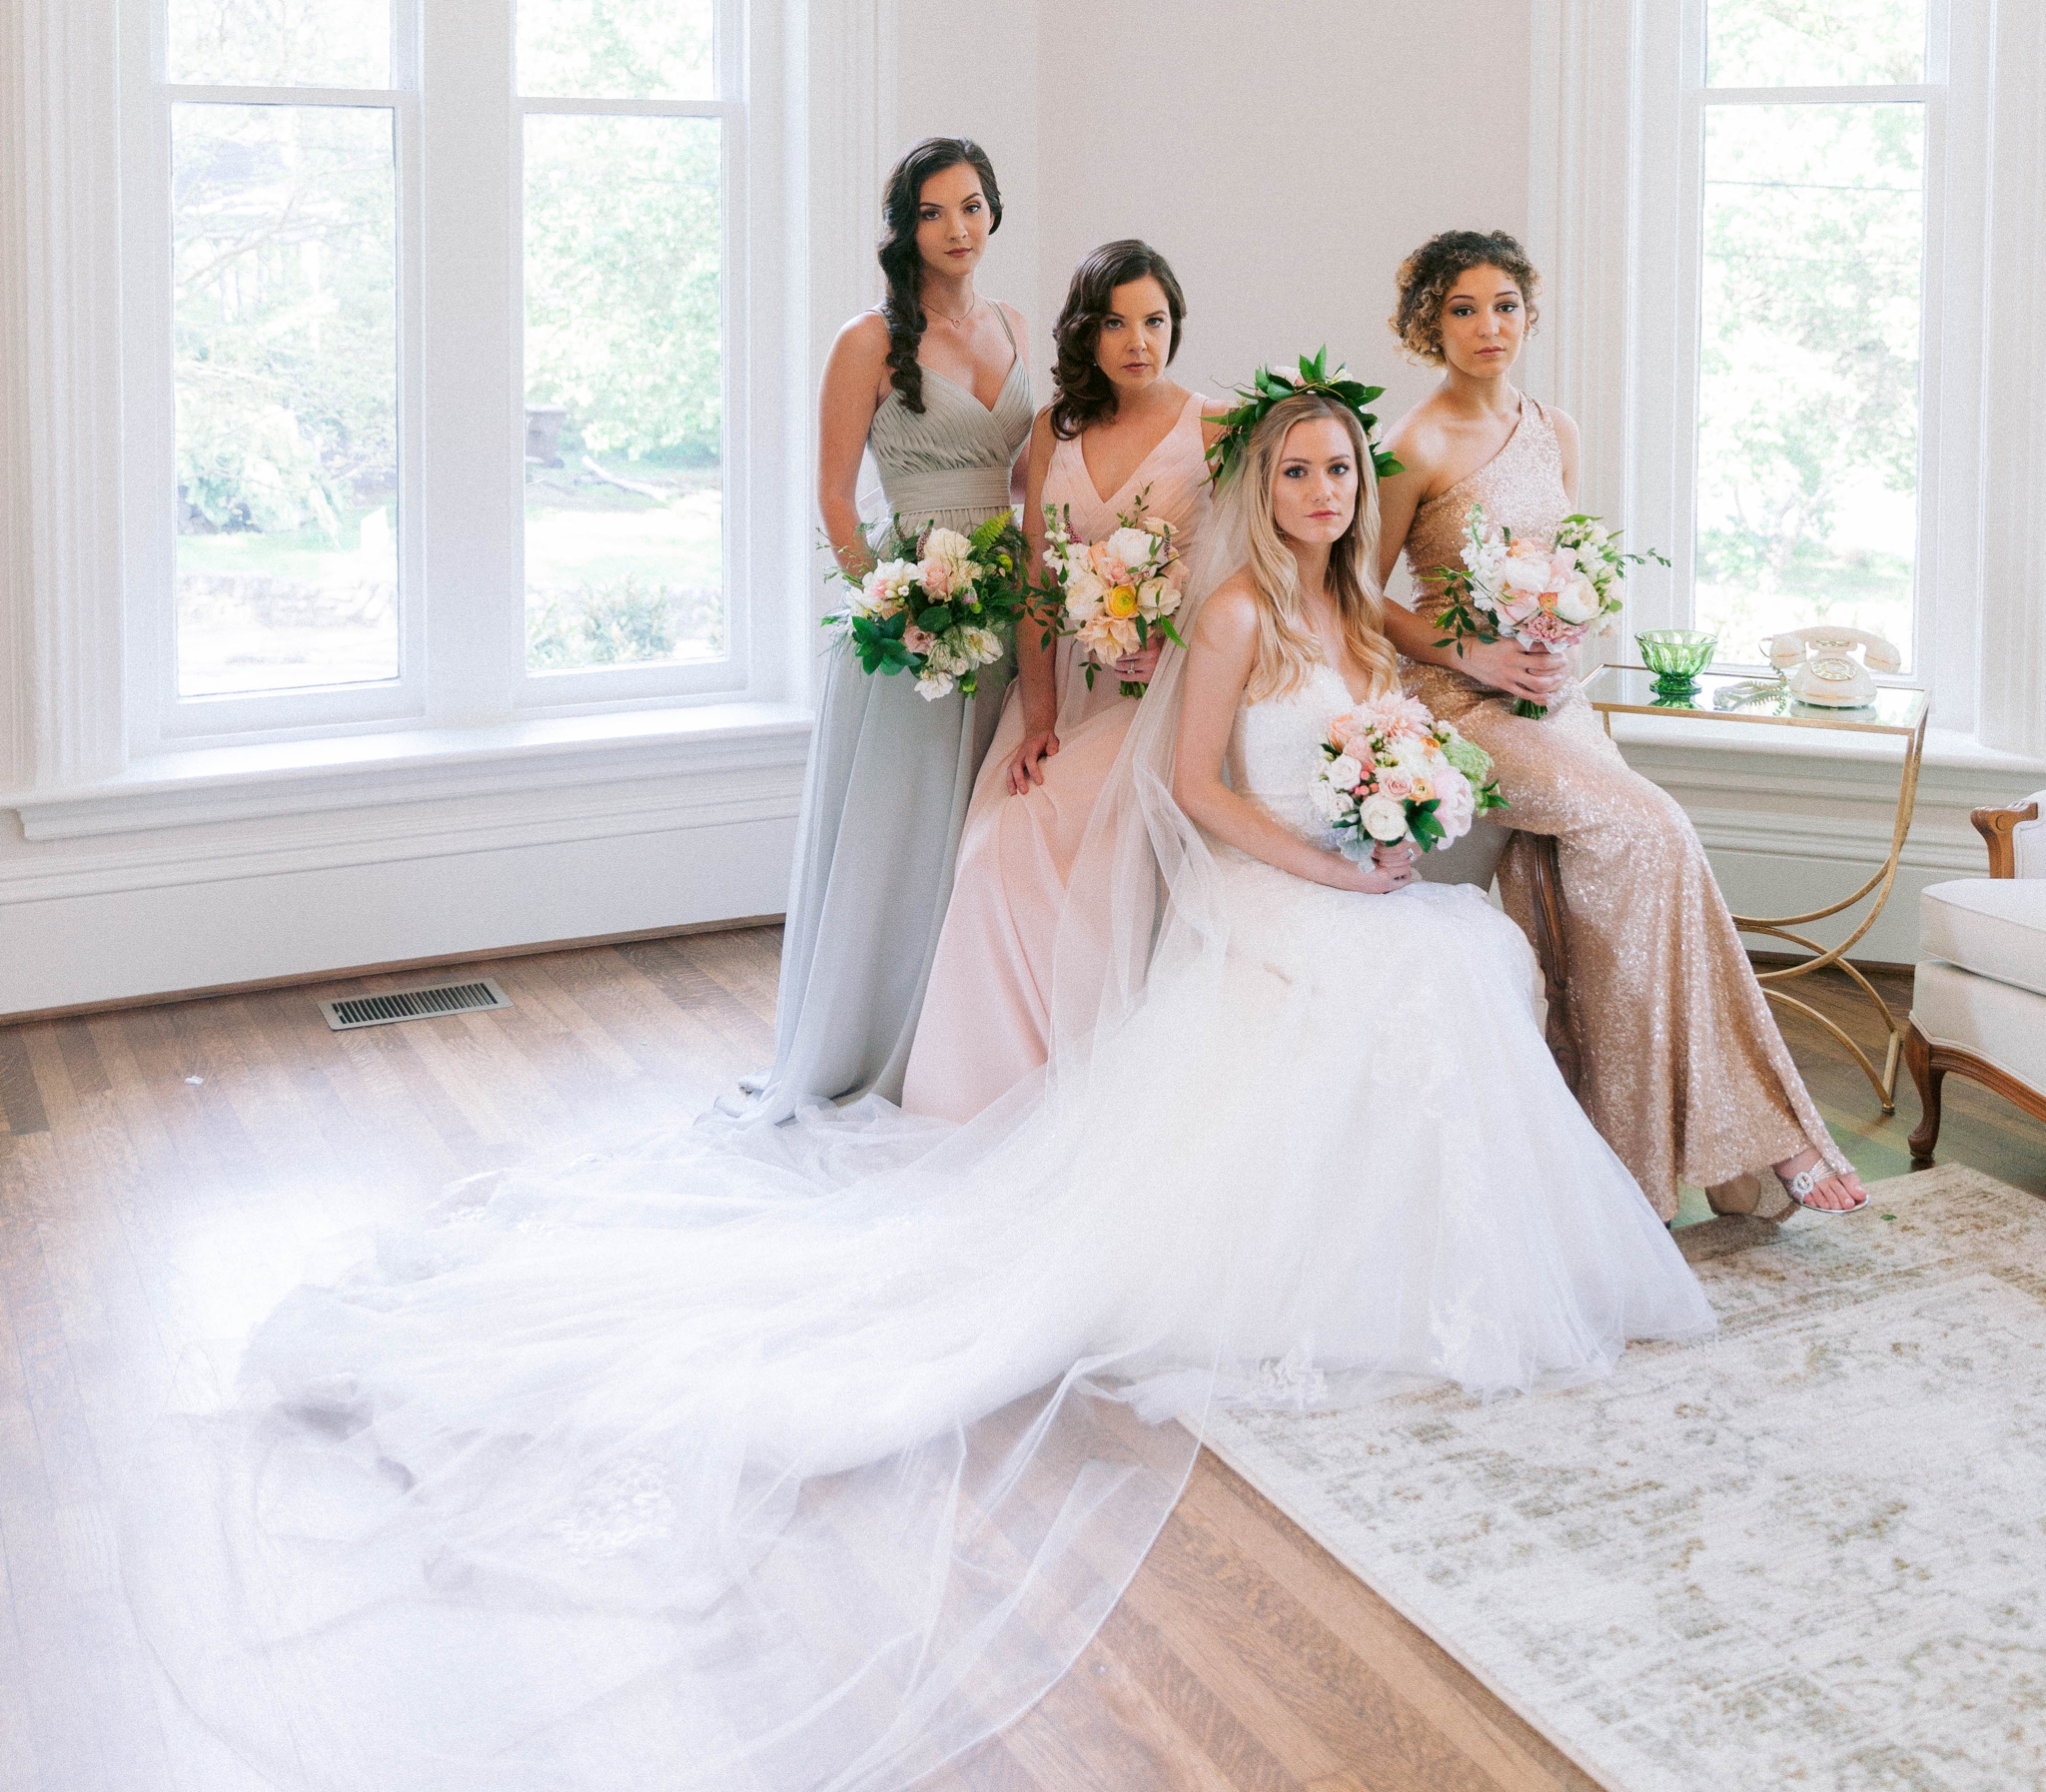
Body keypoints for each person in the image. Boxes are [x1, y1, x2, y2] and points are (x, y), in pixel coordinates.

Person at [125, 375, 1711, 1792]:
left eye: (1339, 474)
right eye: (1298, 472)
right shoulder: (1232, 617)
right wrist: (1328, 856)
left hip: (1351, 873)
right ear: (1263, 486)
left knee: (1458, 954)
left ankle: (1431, 1241)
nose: (1321, 494)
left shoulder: (1366, 616)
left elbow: (1446, 707)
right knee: (1420, 964)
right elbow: (1199, 789)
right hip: (1264, 876)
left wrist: (1410, 812)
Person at [1377, 226, 1867, 1225]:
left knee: (1623, 869)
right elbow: (1350, 596)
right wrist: (1467, 654)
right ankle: (1760, 1140)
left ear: (1528, 312)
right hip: (1459, 704)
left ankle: (1673, 1150)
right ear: (1427, 322)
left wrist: (1563, 638)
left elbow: (1567, 575)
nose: (1487, 327)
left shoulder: (1551, 427)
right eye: (1462, 308)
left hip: (1558, 699)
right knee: (1655, 829)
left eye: (1504, 305)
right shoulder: (1412, 443)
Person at [903, 239, 1222, 1120]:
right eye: (1116, 322)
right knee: (993, 846)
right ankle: (990, 1092)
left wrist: (1179, 644)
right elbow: (1041, 585)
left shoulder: (1218, 427)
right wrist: (1038, 714)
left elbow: (1250, 581)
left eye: (1154, 320)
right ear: (1085, 332)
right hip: (1071, 689)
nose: (1137, 340)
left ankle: (1093, 1080)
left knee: (1083, 846)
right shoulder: (1057, 430)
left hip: (1166, 694)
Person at [746, 137, 1031, 1118]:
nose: (957, 229)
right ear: (903, 228)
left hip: (1006, 603)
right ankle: (865, 1045)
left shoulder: (1016, 326)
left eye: (972, 207)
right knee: (901, 841)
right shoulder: (866, 340)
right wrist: (888, 606)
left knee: (983, 839)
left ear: (994, 212)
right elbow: (831, 495)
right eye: (932, 212)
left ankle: (965, 1052)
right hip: (909, 620)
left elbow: (1036, 475)